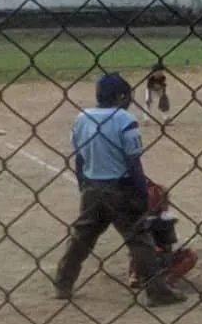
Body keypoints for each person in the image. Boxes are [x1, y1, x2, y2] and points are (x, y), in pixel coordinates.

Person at [54, 73, 186, 307]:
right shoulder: (124, 120)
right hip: (121, 188)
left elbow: (79, 158)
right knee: (139, 240)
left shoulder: (82, 118)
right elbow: (133, 161)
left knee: (81, 238)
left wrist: (84, 185)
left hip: (93, 187)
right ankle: (156, 291)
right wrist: (142, 192)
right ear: (120, 96)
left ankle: (63, 283)